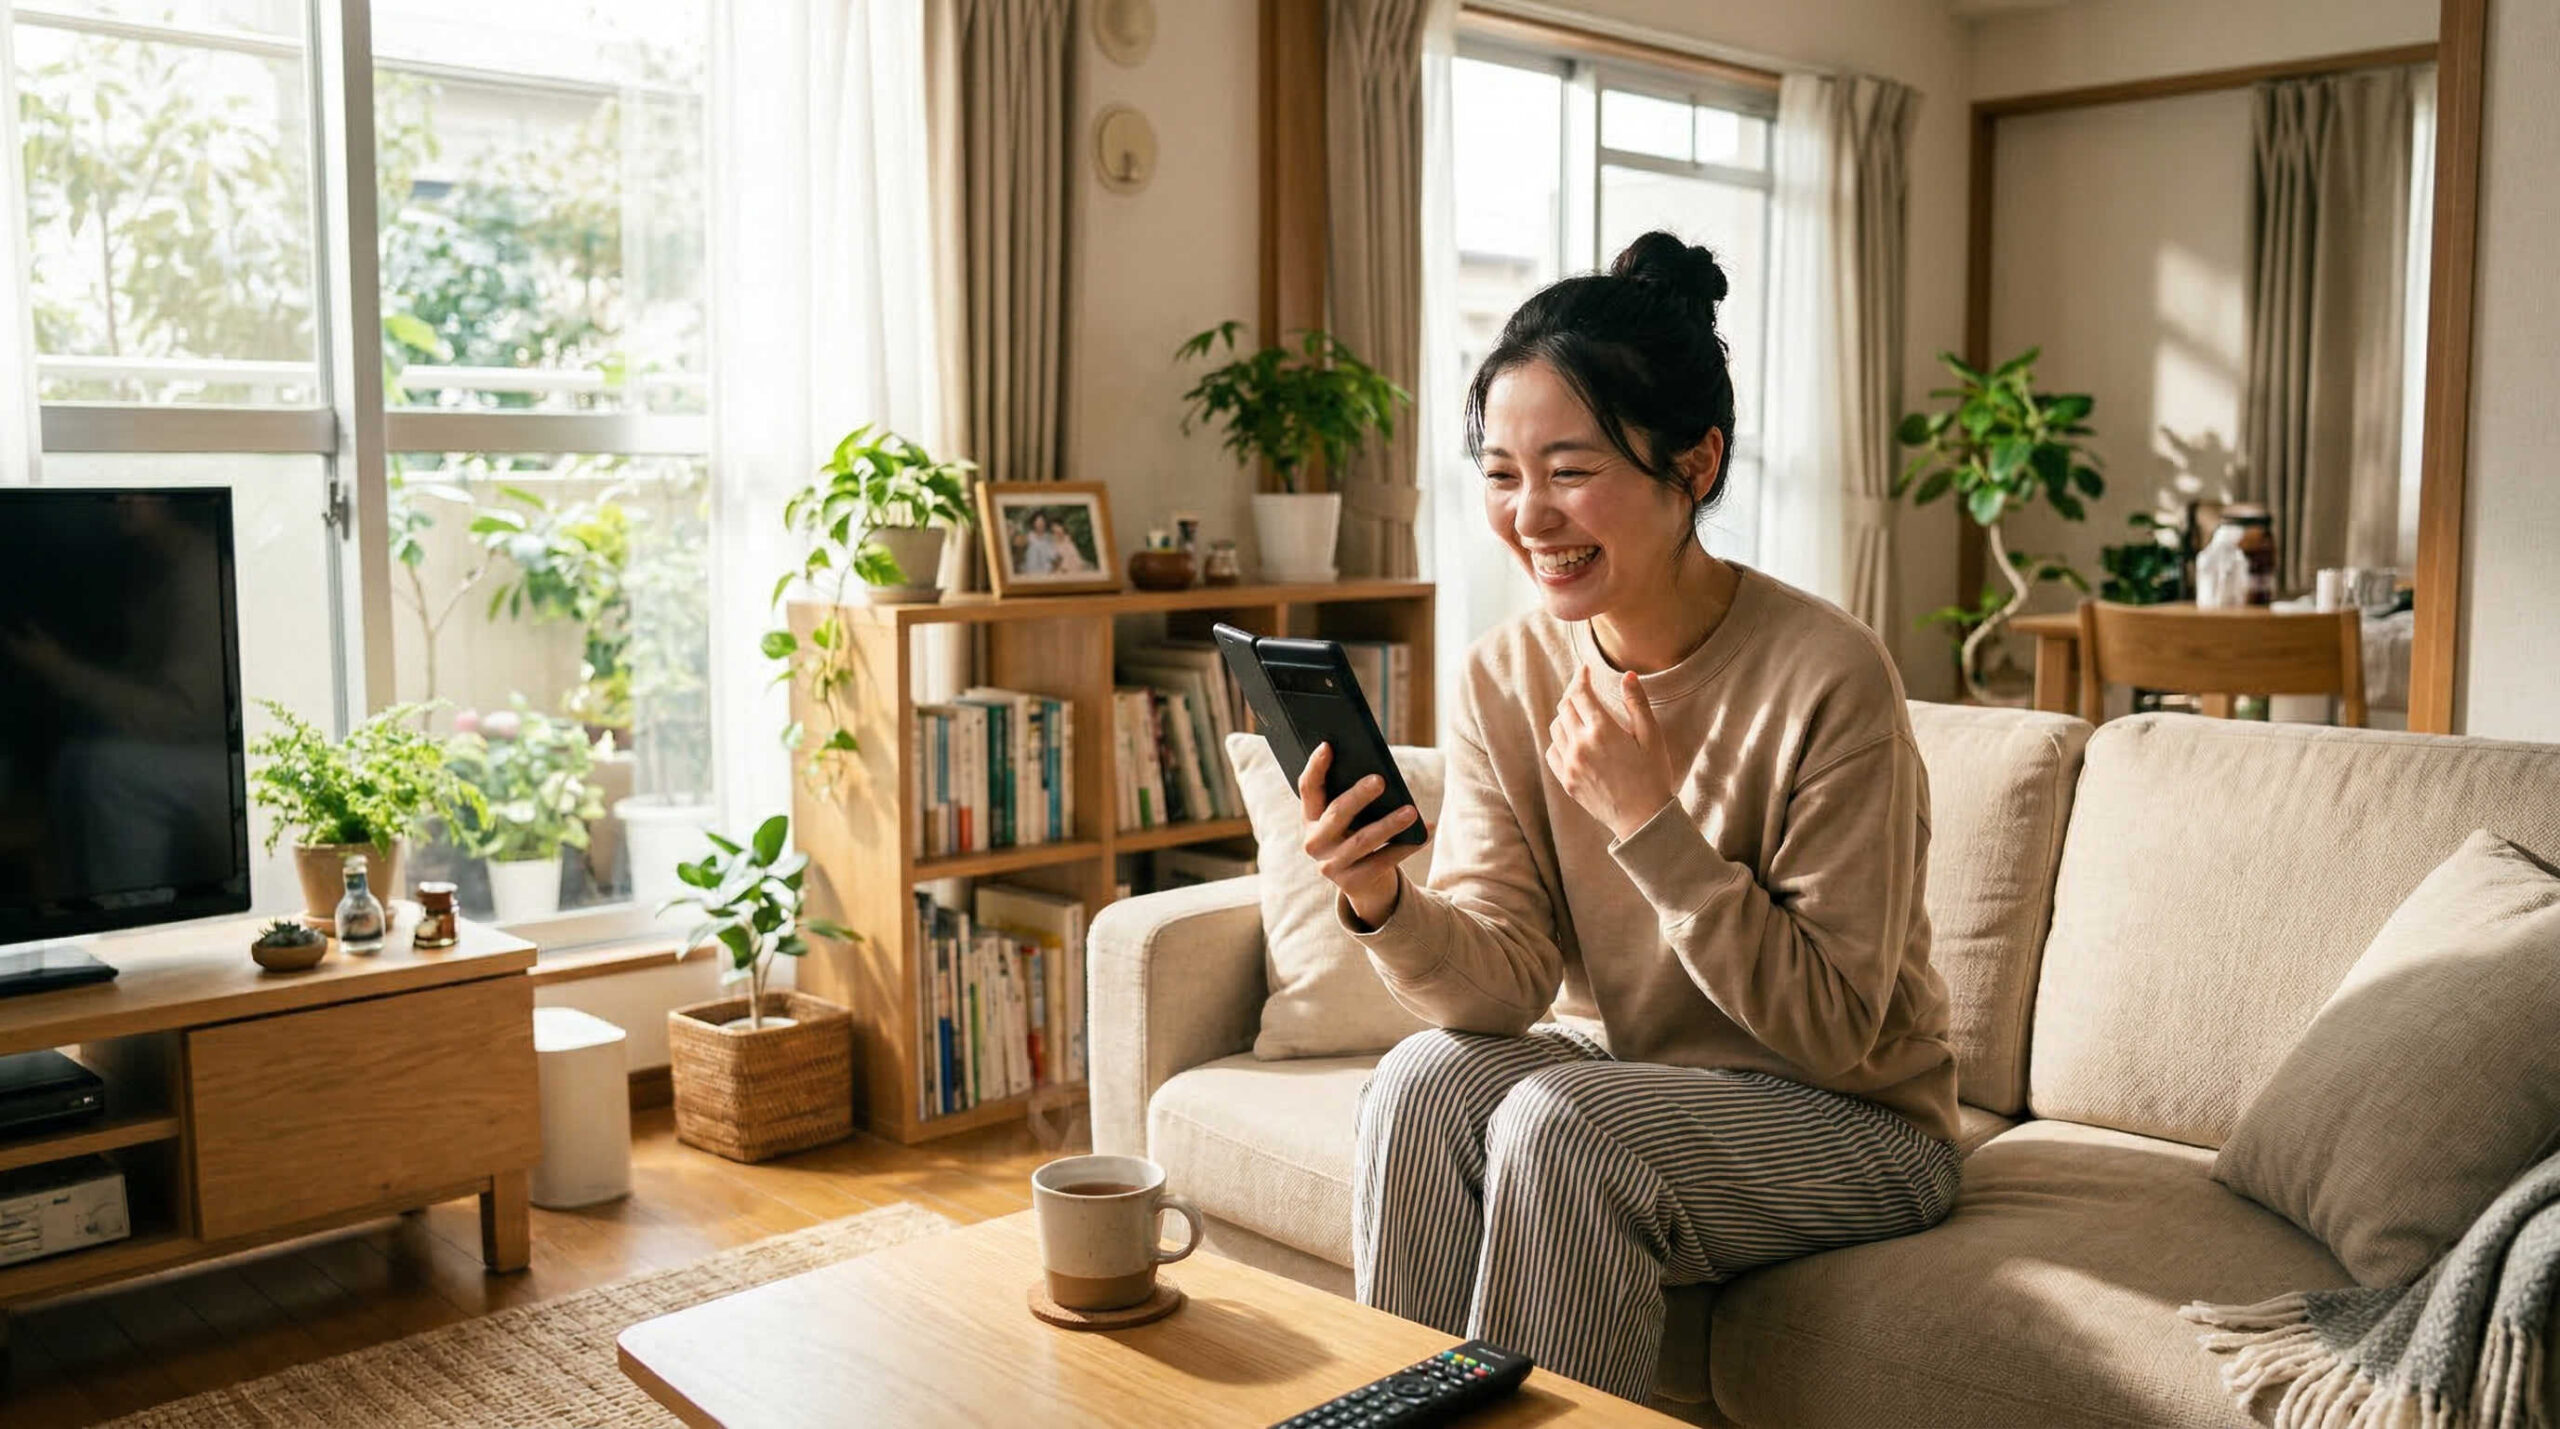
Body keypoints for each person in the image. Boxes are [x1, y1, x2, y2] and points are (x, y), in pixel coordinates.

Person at [1298, 230, 1960, 1403]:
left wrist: (1647, 819)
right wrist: (1380, 898)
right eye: (1501, 473)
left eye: (1570, 469)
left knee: (1566, 1123)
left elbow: (1830, 1031)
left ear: (1693, 464)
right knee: (1418, 1081)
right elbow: (1505, 984)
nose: (1529, 515)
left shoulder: (1830, 675)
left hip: (1856, 1119)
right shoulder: (1506, 676)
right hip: (1638, 1072)